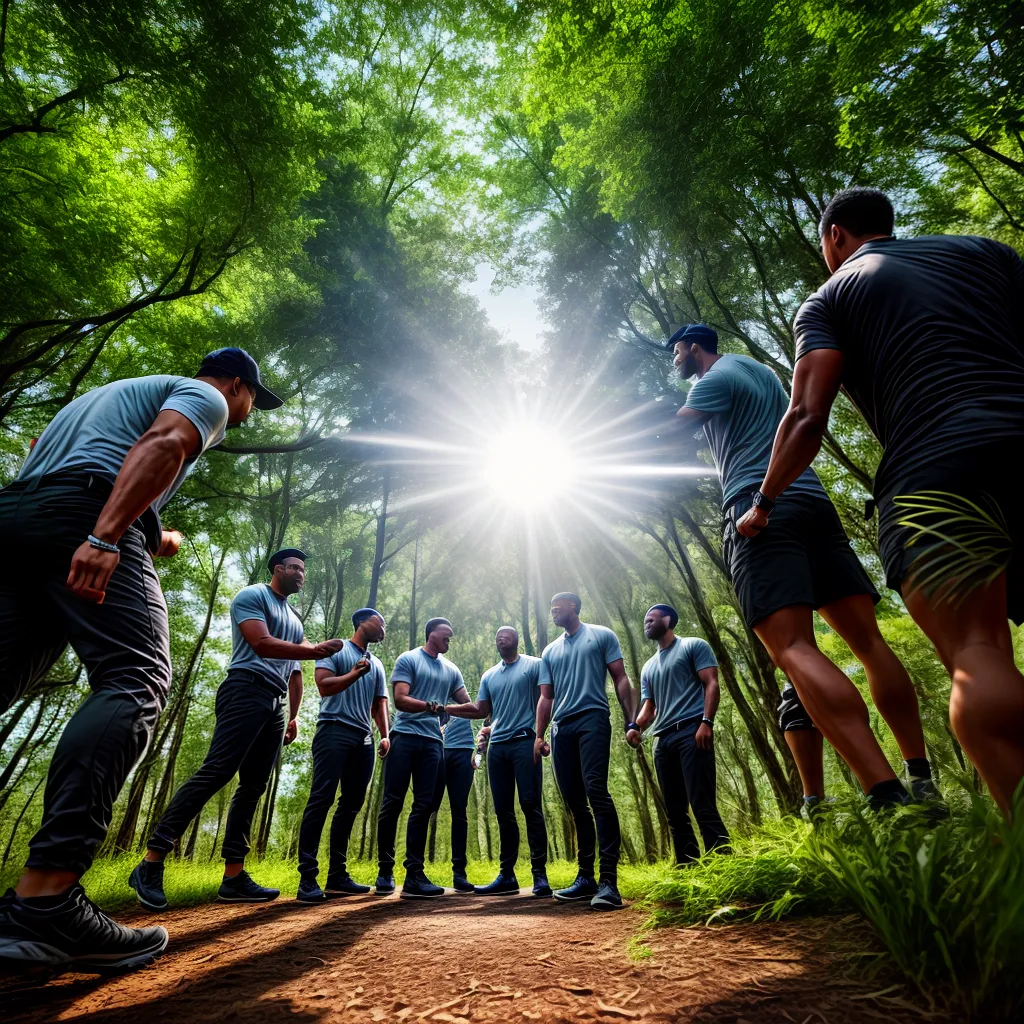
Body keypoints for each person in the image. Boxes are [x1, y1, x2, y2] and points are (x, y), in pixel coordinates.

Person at [737, 186, 1024, 813]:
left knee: (978, 648)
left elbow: (808, 416)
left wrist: (764, 499)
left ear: (834, 235)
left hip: (940, 469)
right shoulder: (985, 252)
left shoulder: (830, 296)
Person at [0, 347, 281, 973]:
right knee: (137, 677)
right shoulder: (203, 395)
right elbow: (164, 442)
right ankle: (44, 902)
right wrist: (105, 535)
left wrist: (151, 531)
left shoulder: (96, 400)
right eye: (252, 401)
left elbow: (53, 454)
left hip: (19, 517)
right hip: (81, 516)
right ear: (236, 384)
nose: (247, 412)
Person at [671, 322, 938, 810]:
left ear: (693, 348)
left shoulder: (710, 379)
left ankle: (886, 795)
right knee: (869, 641)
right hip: (813, 503)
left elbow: (670, 431)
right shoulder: (762, 373)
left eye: (676, 352)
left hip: (761, 513)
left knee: (793, 648)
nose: (675, 361)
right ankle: (920, 774)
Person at [130, 549, 344, 909]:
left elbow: (294, 670)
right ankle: (150, 863)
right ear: (278, 569)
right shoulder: (253, 595)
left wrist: (292, 715)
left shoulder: (294, 617)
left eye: (303, 570)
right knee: (217, 771)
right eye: (295, 568)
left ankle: (233, 877)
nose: (301, 574)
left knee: (254, 786)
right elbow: (260, 643)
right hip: (245, 687)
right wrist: (315, 652)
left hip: (274, 703)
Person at [535, 593, 636, 911]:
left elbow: (620, 678)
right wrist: (539, 735)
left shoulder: (601, 635)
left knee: (597, 792)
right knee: (575, 802)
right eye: (551, 607)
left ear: (573, 607)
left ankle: (609, 882)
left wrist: (631, 720)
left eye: (557, 606)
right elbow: (546, 698)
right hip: (561, 728)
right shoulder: (549, 651)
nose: (553, 610)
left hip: (593, 719)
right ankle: (585, 879)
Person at [295, 607, 391, 903]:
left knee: (351, 804)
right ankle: (307, 878)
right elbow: (323, 687)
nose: (383, 627)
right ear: (362, 622)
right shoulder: (336, 648)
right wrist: (353, 673)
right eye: (379, 621)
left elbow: (380, 702)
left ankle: (337, 874)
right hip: (334, 729)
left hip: (364, 738)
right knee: (321, 798)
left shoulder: (377, 664)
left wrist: (386, 734)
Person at [446, 627, 550, 898]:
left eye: (506, 635)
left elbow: (548, 698)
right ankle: (507, 875)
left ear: (516, 640)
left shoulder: (534, 665)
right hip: (498, 749)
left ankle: (540, 875)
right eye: (497, 636)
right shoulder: (489, 675)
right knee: (503, 812)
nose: (500, 638)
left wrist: (542, 735)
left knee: (530, 805)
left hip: (525, 742)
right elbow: (481, 711)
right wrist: (445, 708)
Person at [375, 617, 473, 899]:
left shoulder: (451, 670)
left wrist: (489, 708)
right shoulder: (409, 659)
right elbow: (400, 699)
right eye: (446, 634)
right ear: (432, 634)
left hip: (433, 743)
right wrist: (432, 706)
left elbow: (466, 704)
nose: (449, 639)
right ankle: (385, 871)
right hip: (404, 736)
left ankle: (414, 875)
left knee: (423, 806)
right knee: (392, 801)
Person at [627, 605, 729, 864]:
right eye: (644, 620)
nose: (646, 623)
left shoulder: (693, 646)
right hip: (663, 741)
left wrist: (707, 722)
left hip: (692, 732)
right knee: (674, 810)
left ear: (668, 619)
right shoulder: (649, 666)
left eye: (651, 618)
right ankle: (687, 865)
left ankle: (723, 862)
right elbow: (650, 706)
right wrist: (635, 726)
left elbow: (711, 682)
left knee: (701, 802)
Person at [429, 690, 477, 895]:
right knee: (427, 809)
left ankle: (459, 874)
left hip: (463, 751)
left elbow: (480, 713)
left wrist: (480, 750)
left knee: (460, 811)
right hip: (436, 751)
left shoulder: (465, 699)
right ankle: (415, 872)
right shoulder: (431, 693)